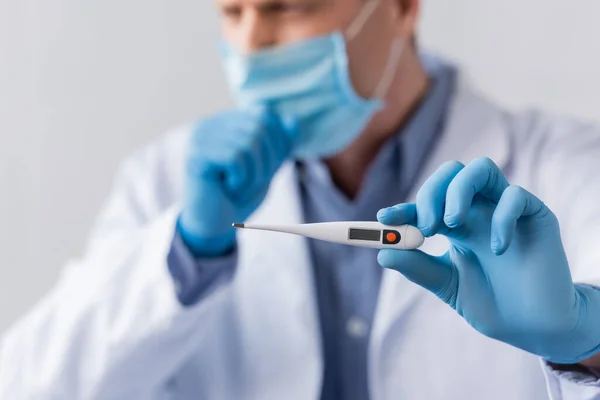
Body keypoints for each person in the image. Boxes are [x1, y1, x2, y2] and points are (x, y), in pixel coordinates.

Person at [2, 0, 600, 398]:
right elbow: (31, 384)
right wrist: (186, 255)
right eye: (232, 10)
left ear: (400, 8)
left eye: (288, 5)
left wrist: (587, 342)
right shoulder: (163, 184)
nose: (253, 41)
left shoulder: (568, 167)